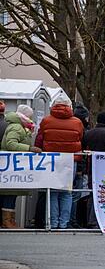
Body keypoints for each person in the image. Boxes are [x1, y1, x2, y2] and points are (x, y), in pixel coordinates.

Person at [36, 95, 83, 229]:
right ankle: (63, 223)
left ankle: (53, 222)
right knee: (66, 192)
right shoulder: (77, 122)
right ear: (69, 106)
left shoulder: (46, 121)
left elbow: (39, 139)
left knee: (53, 192)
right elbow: (80, 137)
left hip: (51, 159)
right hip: (70, 160)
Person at [1, 105, 41, 228]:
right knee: (10, 193)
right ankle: (7, 221)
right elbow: (10, 144)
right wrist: (29, 148)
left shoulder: (17, 126)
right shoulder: (17, 127)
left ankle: (9, 220)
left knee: (10, 193)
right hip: (11, 167)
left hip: (12, 166)